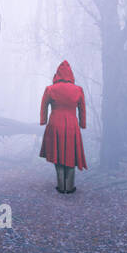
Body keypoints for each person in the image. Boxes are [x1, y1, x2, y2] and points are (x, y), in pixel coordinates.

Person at [39, 60, 87, 193]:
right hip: (72, 124)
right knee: (71, 155)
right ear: (70, 74)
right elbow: (82, 109)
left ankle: (61, 186)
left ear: (58, 74)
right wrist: (82, 124)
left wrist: (43, 121)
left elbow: (44, 106)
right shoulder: (78, 90)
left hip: (55, 124)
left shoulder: (50, 89)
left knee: (57, 154)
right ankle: (70, 187)